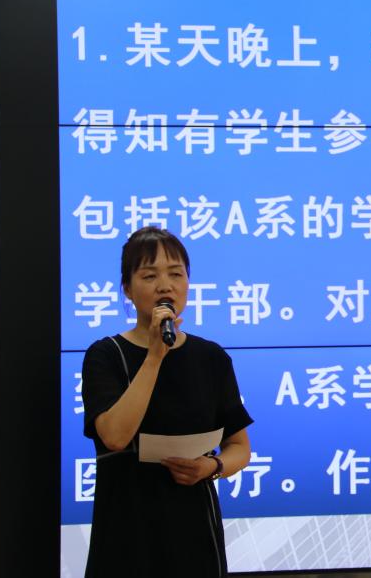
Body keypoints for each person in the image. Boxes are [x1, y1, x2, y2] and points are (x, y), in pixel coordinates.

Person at [81, 226, 253, 577]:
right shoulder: (106, 355)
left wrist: (212, 467)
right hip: (128, 527)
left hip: (194, 525)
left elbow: (239, 447)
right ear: (127, 289)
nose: (165, 285)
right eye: (149, 276)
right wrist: (155, 357)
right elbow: (114, 436)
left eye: (176, 274)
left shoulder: (211, 357)